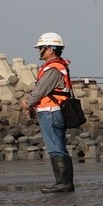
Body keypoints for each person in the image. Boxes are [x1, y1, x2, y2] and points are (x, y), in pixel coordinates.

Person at [21, 32, 76, 193]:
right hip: (53, 110)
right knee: (58, 146)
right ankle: (64, 182)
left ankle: (63, 183)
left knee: (55, 147)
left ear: (50, 49)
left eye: (41, 48)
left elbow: (40, 90)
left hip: (51, 111)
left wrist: (28, 103)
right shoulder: (58, 66)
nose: (39, 51)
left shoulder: (53, 68)